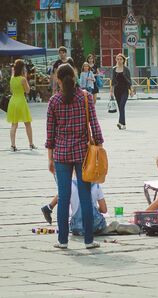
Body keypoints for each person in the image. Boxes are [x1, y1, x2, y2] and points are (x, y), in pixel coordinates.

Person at [45, 63, 104, 249]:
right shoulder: (85, 98)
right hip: (83, 154)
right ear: (75, 75)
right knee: (85, 196)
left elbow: (50, 134)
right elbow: (94, 126)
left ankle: (62, 241)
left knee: (63, 197)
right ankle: (89, 240)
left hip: (61, 155)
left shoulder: (54, 102)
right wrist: (100, 147)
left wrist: (50, 158)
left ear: (58, 79)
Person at [41, 179, 107, 235]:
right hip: (95, 226)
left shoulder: (70, 184)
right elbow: (104, 210)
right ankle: (49, 207)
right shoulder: (96, 185)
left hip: (76, 227)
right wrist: (95, 210)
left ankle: (49, 206)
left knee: (66, 189)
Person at [6, 59, 37, 152]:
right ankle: (31, 144)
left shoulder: (12, 78)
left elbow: (11, 91)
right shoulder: (22, 79)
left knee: (14, 124)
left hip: (13, 101)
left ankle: (13, 145)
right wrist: (26, 77)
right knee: (27, 123)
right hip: (21, 101)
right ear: (22, 68)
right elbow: (27, 91)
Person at [110, 53, 133, 130]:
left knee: (122, 105)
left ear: (123, 60)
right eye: (118, 59)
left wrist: (131, 90)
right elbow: (112, 81)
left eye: (121, 59)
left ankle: (121, 123)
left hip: (124, 90)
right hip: (117, 90)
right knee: (120, 107)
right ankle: (123, 124)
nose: (119, 60)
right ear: (116, 60)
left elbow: (129, 81)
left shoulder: (126, 69)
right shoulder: (114, 69)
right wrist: (111, 91)